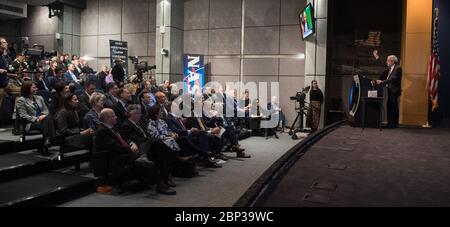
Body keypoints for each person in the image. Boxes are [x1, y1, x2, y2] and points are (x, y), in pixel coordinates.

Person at [95, 108, 175, 195]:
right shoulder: (102, 131)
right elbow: (115, 147)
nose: (116, 117)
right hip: (119, 158)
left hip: (126, 153)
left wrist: (131, 143)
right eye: (114, 116)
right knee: (153, 155)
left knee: (156, 147)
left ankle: (165, 178)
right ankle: (162, 183)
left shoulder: (112, 127)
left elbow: (124, 138)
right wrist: (131, 149)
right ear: (107, 118)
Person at [119, 104, 178, 188]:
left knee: (161, 150)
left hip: (148, 144)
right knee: (159, 147)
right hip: (140, 146)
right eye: (138, 113)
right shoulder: (126, 125)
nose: (140, 115)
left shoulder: (139, 123)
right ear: (132, 114)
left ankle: (166, 178)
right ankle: (166, 177)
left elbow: (147, 134)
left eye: (139, 113)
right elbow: (134, 139)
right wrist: (141, 141)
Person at [16, 82, 54, 155]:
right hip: (30, 123)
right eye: (33, 87)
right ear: (27, 89)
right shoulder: (21, 100)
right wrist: (36, 119)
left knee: (48, 118)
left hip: (43, 120)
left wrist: (43, 115)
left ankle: (47, 140)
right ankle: (48, 140)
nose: (36, 89)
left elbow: (46, 110)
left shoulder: (39, 98)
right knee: (48, 120)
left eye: (36, 87)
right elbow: (23, 115)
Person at [376, 55, 402, 129]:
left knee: (393, 108)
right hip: (390, 90)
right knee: (390, 107)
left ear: (392, 61)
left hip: (394, 91)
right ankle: (390, 124)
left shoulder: (398, 68)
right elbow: (383, 64)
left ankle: (393, 124)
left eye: (388, 60)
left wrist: (382, 82)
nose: (386, 62)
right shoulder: (391, 67)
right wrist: (377, 57)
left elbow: (393, 78)